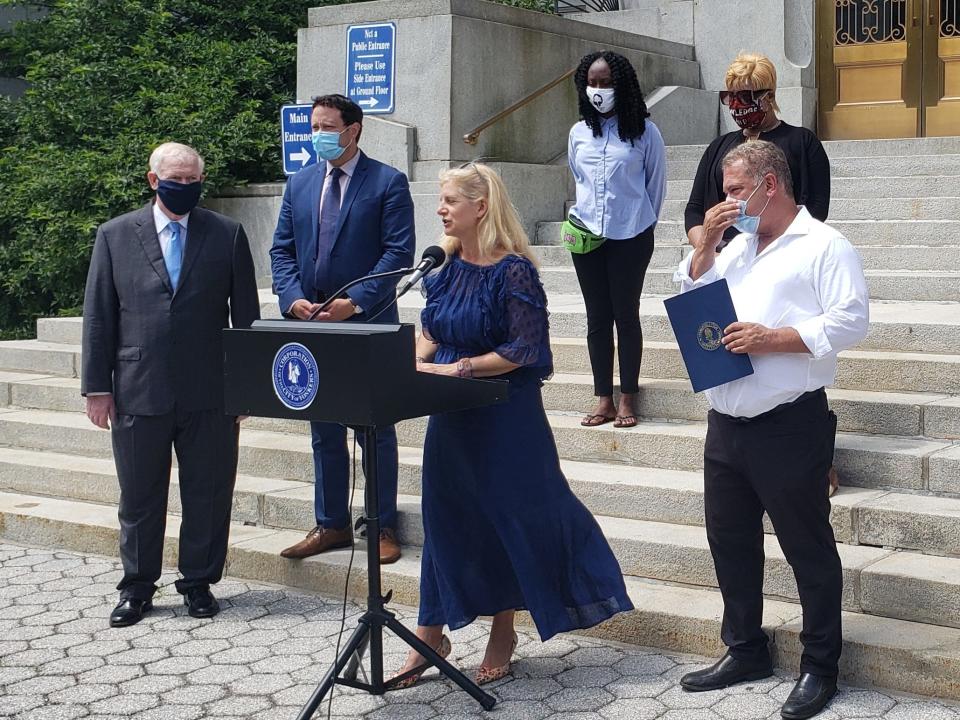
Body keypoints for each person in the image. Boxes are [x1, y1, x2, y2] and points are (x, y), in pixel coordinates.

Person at [391, 163, 633, 689]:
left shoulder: (515, 271)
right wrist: (407, 363)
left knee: (509, 519)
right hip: (452, 415)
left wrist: (456, 367)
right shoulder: (443, 267)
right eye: (441, 200)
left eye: (450, 200)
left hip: (506, 415)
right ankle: (430, 632)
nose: (441, 210)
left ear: (481, 207)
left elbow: (524, 350)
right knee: (445, 519)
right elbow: (430, 333)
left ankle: (505, 631)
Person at [674, 141, 868, 720]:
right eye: (725, 192)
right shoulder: (735, 248)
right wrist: (704, 246)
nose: (727, 203)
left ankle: (820, 666)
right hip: (726, 423)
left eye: (736, 191)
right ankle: (745, 649)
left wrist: (772, 338)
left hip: (788, 423)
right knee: (729, 540)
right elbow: (694, 297)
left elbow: (851, 318)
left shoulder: (824, 245)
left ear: (770, 186)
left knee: (806, 546)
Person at [81, 142, 260, 627]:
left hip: (211, 391)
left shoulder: (226, 233)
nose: (186, 188)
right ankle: (137, 586)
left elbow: (245, 317)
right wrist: (97, 387)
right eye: (176, 180)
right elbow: (99, 316)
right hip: (138, 387)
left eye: (193, 180)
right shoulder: (115, 235)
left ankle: (198, 583)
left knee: (209, 491)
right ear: (154, 180)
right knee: (139, 496)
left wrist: (246, 386)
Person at [685, 51, 839, 497]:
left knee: (794, 370)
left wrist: (771, 238)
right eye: (730, 97)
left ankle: (816, 463)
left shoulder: (803, 142)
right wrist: (711, 242)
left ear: (769, 96)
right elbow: (697, 208)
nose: (737, 106)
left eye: (746, 97)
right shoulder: (721, 149)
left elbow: (817, 207)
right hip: (733, 266)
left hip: (787, 260)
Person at [270, 94, 415, 565]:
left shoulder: (388, 183)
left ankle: (380, 525)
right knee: (323, 428)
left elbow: (397, 254)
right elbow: (282, 251)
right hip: (311, 326)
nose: (318, 136)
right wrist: (293, 300)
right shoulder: (300, 183)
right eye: (314, 126)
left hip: (367, 325)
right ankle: (330, 523)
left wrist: (354, 305)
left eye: (327, 127)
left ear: (354, 130)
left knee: (376, 429)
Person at [568, 50, 666, 429]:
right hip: (588, 236)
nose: (598, 89)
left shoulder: (645, 132)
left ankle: (627, 398)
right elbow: (578, 179)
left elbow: (655, 186)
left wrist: (642, 226)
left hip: (632, 234)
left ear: (620, 85)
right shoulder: (579, 133)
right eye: (592, 83)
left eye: (605, 82)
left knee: (625, 315)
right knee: (597, 318)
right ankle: (602, 398)